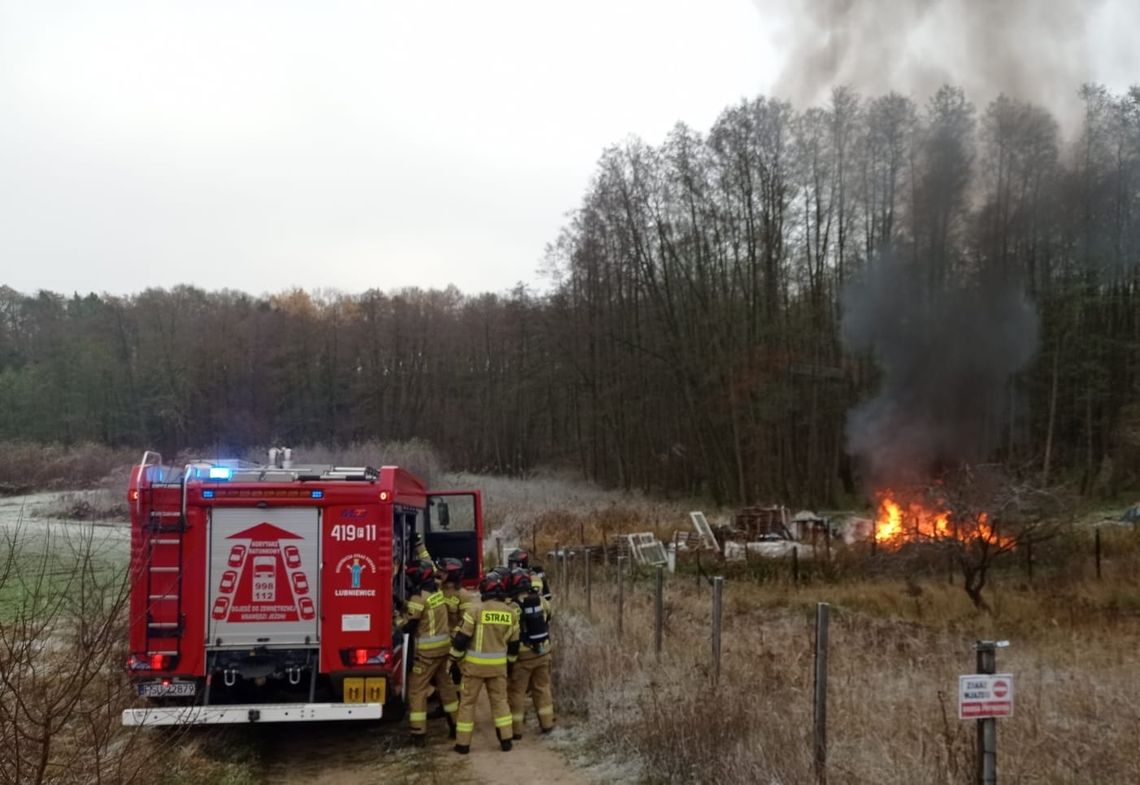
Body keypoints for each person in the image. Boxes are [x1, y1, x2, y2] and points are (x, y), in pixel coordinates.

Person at [448, 571, 519, 754]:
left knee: (467, 704)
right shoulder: (511, 614)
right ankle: (506, 740)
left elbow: (462, 639)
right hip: (498, 668)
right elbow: (514, 645)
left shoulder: (475, 610)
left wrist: (453, 659)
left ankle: (463, 745)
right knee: (500, 702)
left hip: (474, 668)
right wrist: (509, 665)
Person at [397, 559, 458, 745]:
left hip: (426, 654)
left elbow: (409, 625)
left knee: (417, 691)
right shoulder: (436, 592)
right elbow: (421, 610)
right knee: (446, 688)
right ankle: (456, 726)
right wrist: (402, 603)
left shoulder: (419, 597)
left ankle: (418, 735)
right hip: (443, 650)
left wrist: (395, 621)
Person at [505, 567, 555, 738]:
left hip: (522, 657)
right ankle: (547, 724)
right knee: (542, 688)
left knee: (516, 692)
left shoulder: (512, 607)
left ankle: (516, 730)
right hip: (543, 652)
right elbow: (548, 617)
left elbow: (508, 632)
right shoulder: (540, 600)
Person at [437, 557, 479, 631]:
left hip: (451, 639)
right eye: (440, 571)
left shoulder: (463, 595)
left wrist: (454, 636)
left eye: (444, 572)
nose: (440, 573)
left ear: (453, 574)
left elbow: (465, 622)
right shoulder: (437, 589)